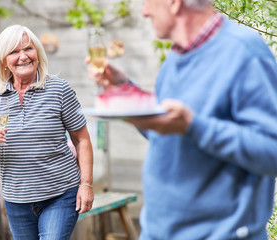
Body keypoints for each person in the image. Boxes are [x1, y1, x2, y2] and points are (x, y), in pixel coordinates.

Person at [88, 0, 277, 239]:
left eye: (147, 2)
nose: (145, 12)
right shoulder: (176, 58)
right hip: (157, 232)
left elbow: (272, 150)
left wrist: (194, 127)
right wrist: (125, 89)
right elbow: (166, 132)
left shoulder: (244, 52)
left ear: (174, 3)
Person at [0, 24, 94, 240]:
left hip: (60, 194)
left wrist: (86, 185)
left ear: (38, 53)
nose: (23, 56)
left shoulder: (59, 89)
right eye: (14, 52)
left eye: (28, 49)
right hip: (17, 200)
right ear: (3, 61)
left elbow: (82, 139)